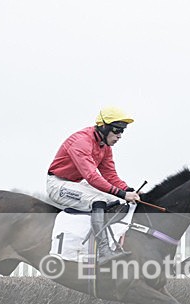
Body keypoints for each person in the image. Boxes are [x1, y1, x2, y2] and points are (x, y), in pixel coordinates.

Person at [46, 106, 141, 264]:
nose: (119, 135)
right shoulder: (81, 142)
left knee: (115, 200)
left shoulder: (105, 147)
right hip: (58, 184)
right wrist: (123, 194)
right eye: (117, 130)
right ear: (103, 126)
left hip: (77, 183)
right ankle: (103, 251)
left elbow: (110, 175)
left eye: (122, 131)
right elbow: (91, 176)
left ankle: (113, 244)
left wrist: (128, 190)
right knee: (99, 200)